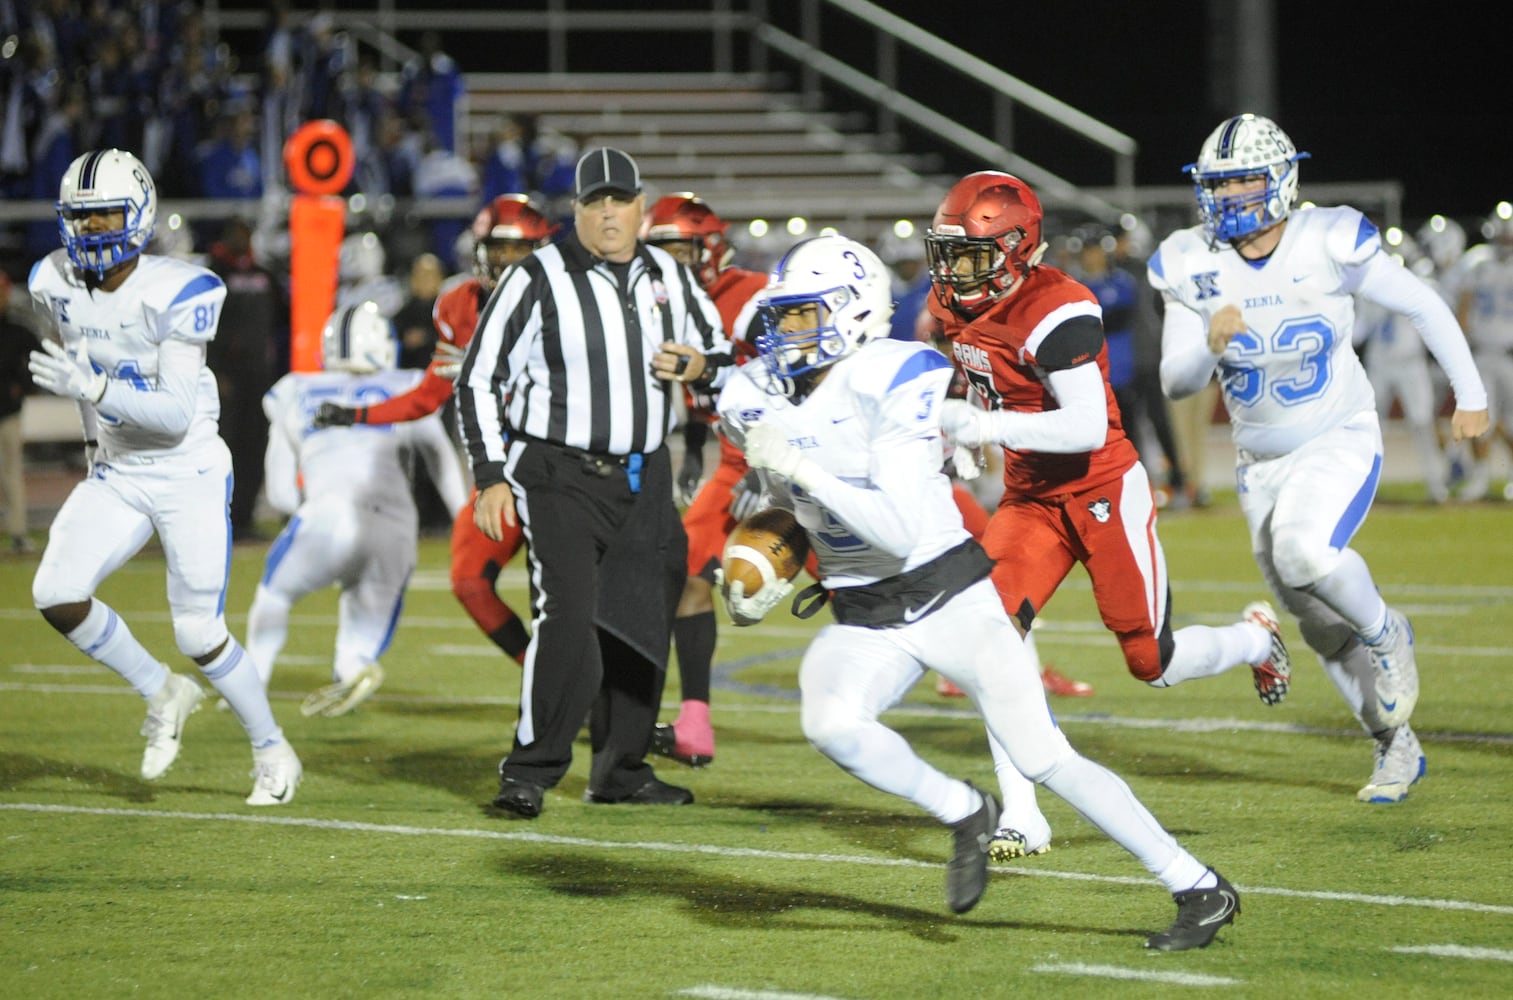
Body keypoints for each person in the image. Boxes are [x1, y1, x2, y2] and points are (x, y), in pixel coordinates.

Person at [717, 233, 1238, 947]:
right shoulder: (751, 393)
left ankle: (1196, 885)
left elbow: (896, 530)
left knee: (1043, 757)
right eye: (781, 319)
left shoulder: (892, 376)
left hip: (948, 598)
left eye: (804, 317)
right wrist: (766, 549)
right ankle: (964, 809)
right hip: (864, 613)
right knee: (830, 723)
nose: (785, 335)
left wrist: (803, 473)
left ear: (852, 310)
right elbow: (787, 495)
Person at [927, 171, 1288, 854]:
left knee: (1150, 660)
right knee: (987, 643)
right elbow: (981, 384)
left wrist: (987, 429)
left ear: (1014, 249)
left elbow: (1087, 427)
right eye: (946, 254)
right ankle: (1022, 813)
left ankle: (1252, 640)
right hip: (1031, 500)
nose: (952, 272)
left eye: (968, 256)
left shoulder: (1056, 306)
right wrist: (962, 436)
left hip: (1099, 489)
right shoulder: (958, 310)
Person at [1150, 113, 1490, 802]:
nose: (1228, 195)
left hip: (1336, 433)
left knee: (1306, 551)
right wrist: (1208, 343)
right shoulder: (1190, 257)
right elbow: (1174, 382)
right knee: (1317, 625)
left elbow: (1422, 304)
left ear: (1280, 179)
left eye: (1242, 179)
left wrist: (1470, 392)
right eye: (1216, 183)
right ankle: (1394, 747)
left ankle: (1387, 632)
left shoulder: (1326, 238)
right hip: (1258, 462)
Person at [457, 147, 733, 817]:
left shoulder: (668, 271)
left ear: (641, 206)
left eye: (620, 200)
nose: (609, 213)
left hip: (644, 474)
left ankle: (620, 769)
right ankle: (529, 770)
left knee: (641, 625)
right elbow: (477, 378)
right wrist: (491, 475)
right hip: (556, 472)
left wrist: (698, 365)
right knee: (569, 619)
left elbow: (720, 355)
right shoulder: (537, 276)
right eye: (595, 202)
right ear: (575, 210)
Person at [24, 148, 300, 804]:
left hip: (188, 470)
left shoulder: (181, 288)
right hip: (118, 468)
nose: (91, 232)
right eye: (80, 219)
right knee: (56, 591)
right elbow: (75, 376)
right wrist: (95, 440)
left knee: (200, 632)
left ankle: (271, 749)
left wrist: (93, 385)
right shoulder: (49, 280)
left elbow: (174, 416)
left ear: (140, 214)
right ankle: (160, 689)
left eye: (105, 217)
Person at [315, 194, 557, 668]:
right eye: (499, 250)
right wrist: (358, 415)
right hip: (501, 476)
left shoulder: (562, 303)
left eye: (520, 252)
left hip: (558, 471)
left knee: (561, 599)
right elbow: (429, 395)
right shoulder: (459, 305)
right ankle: (540, 676)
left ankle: (600, 701)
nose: (507, 263)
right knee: (469, 580)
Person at [248, 302, 467, 716]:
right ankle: (353, 666)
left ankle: (252, 678)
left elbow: (278, 492)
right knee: (359, 639)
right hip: (396, 525)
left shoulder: (295, 389)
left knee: (275, 594)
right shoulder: (406, 383)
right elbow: (441, 457)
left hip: (328, 513)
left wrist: (303, 515)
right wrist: (462, 516)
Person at [639, 192, 769, 768]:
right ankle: (695, 726)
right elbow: (701, 395)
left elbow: (789, 373)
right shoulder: (668, 305)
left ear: (709, 249)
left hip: (792, 461)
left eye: (679, 250)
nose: (669, 262)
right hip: (736, 462)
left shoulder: (749, 294)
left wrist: (772, 466)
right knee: (686, 576)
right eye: (659, 251)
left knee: (850, 590)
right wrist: (693, 449)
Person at [1352, 232, 1450, 503]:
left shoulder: (1419, 284)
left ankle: (1436, 485)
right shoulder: (1368, 289)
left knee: (1422, 423)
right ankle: (1363, 490)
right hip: (1380, 364)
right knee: (1370, 427)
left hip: (1410, 364)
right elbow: (1359, 331)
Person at [205, 215, 283, 540]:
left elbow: (281, 315)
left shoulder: (263, 274)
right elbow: (204, 329)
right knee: (226, 447)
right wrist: (214, 370)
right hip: (226, 378)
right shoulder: (213, 274)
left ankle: (245, 518)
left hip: (258, 376)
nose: (242, 239)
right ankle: (219, 517)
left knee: (255, 445)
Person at [1453, 206, 1513, 501]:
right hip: (1482, 353)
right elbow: (1464, 308)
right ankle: (1480, 478)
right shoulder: (1476, 262)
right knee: (1479, 416)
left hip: (1510, 355)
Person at [1, 271, 39, 553]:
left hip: (7, 414)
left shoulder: (16, 329)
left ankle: (16, 533)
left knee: (11, 474)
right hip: (9, 410)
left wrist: (24, 385)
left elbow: (42, 357)